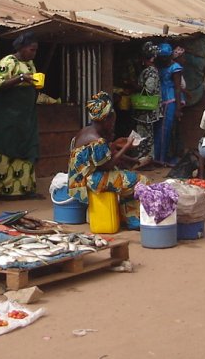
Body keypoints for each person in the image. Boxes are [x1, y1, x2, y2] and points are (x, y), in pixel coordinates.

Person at [67, 91, 148, 229]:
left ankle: (127, 216)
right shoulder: (96, 139)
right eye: (113, 120)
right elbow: (107, 165)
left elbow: (104, 156)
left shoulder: (86, 131)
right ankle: (132, 219)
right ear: (106, 119)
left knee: (123, 172)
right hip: (88, 182)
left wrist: (120, 149)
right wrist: (127, 146)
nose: (113, 124)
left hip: (81, 179)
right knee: (140, 180)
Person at [0, 31, 41, 199]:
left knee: (27, 149)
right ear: (22, 48)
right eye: (31, 50)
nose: (34, 54)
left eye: (35, 50)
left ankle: (26, 190)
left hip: (26, 117)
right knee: (6, 148)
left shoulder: (31, 64)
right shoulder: (8, 62)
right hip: (9, 116)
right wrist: (20, 78)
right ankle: (0, 191)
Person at [131, 41, 161, 166]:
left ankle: (145, 161)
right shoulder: (149, 70)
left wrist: (134, 86)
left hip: (147, 111)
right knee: (144, 135)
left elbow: (149, 90)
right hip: (145, 111)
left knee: (145, 136)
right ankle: (144, 160)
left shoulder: (150, 71)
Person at [153, 43, 184, 165]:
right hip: (161, 100)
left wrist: (178, 108)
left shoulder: (175, 67)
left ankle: (162, 158)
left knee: (165, 130)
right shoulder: (159, 66)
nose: (163, 59)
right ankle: (161, 158)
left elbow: (177, 87)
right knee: (161, 130)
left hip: (170, 100)